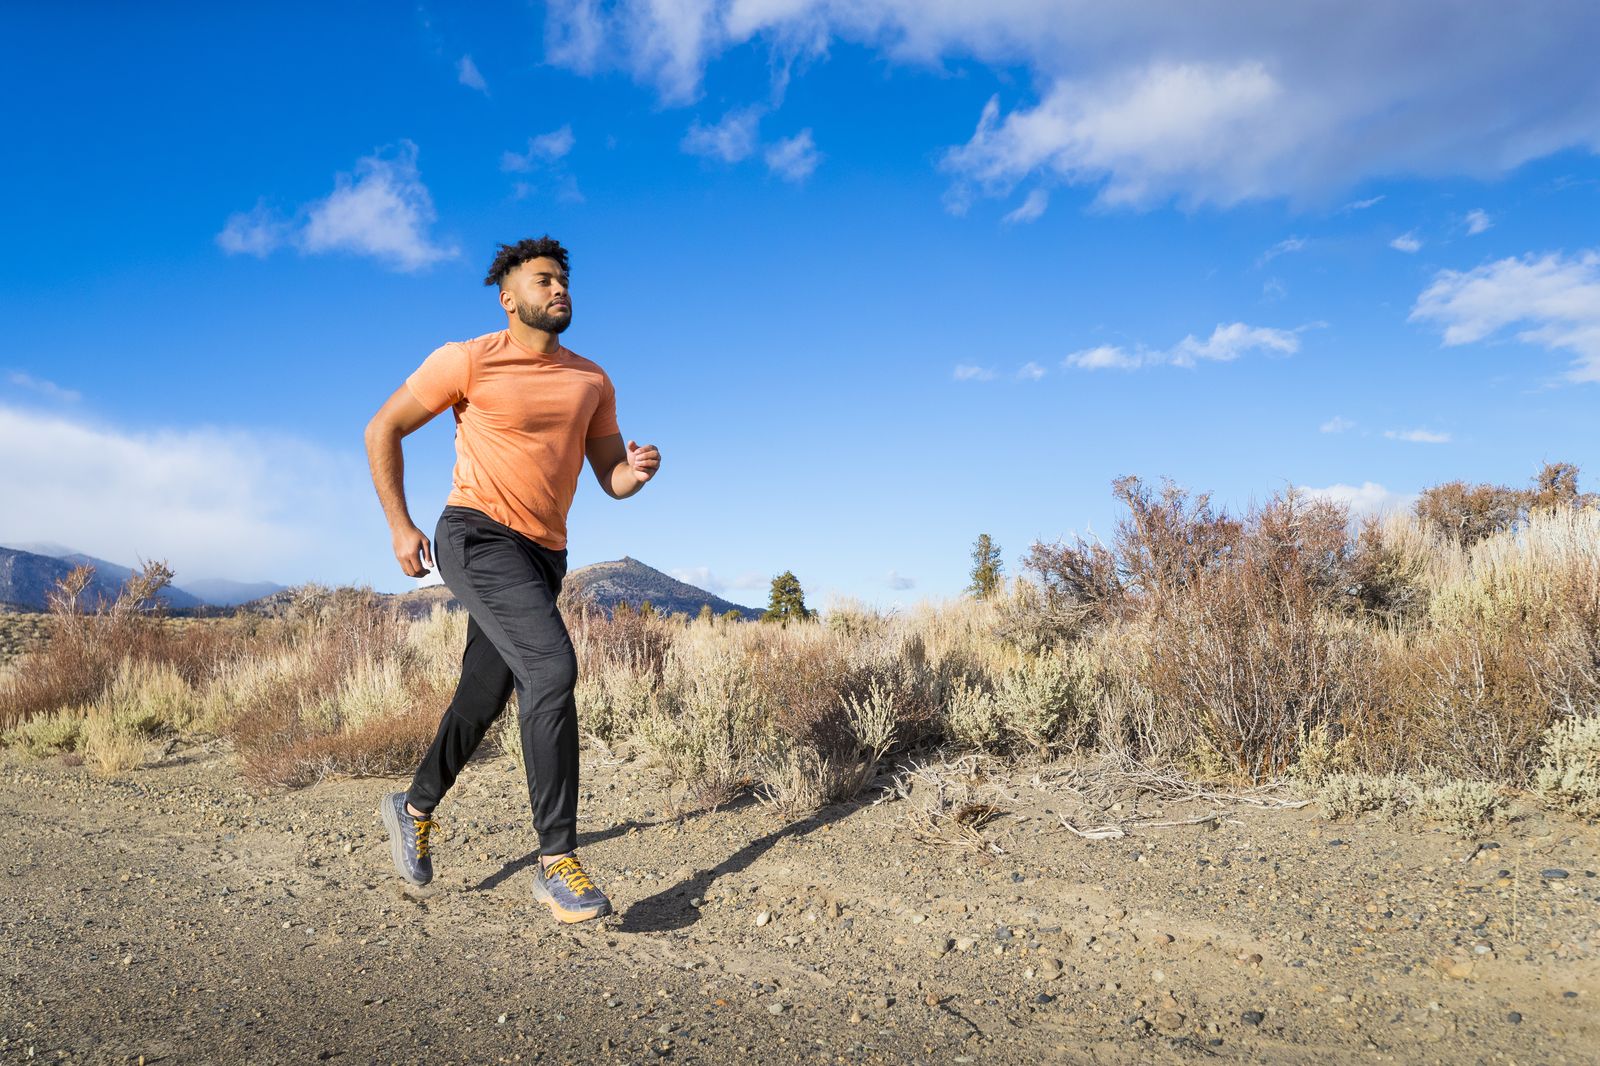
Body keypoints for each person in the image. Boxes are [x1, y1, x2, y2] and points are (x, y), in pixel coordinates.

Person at [363, 235, 660, 923]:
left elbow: (609, 477)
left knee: (483, 693)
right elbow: (383, 428)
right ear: (509, 298)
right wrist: (399, 525)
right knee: (552, 669)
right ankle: (557, 862)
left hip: (542, 557)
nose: (559, 290)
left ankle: (411, 807)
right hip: (474, 534)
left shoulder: (592, 380)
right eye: (543, 280)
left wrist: (636, 473)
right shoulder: (467, 359)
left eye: (564, 281)